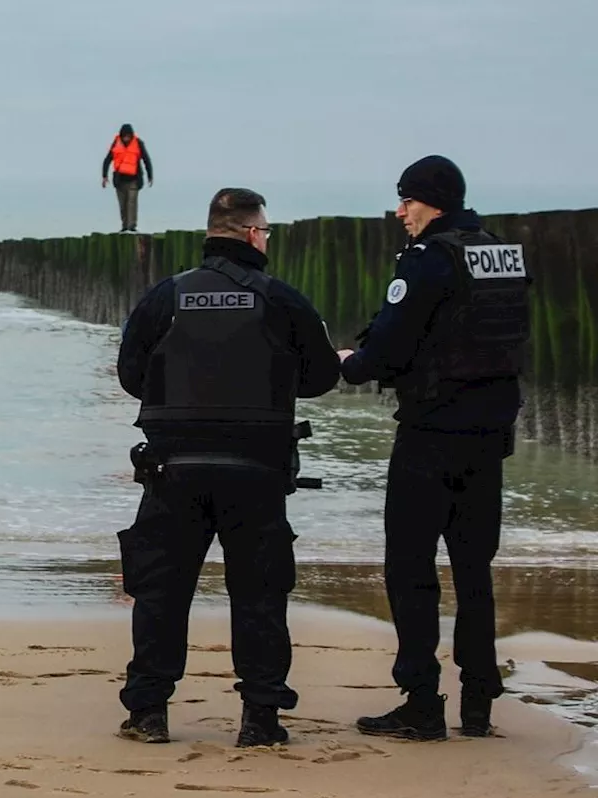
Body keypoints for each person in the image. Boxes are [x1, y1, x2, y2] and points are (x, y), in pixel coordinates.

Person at [114, 188, 341, 746]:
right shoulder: (281, 299)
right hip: (258, 473)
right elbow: (320, 379)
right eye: (265, 230)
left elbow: (130, 374)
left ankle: (148, 712)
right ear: (250, 234)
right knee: (260, 595)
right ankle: (261, 717)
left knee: (162, 592)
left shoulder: (165, 296)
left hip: (174, 472)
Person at [338, 155, 530, 741]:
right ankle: (478, 704)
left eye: (408, 200)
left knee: (411, 567)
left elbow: (393, 344)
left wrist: (351, 366)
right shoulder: (500, 252)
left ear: (434, 201)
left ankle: (422, 702)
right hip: (490, 436)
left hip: (432, 434)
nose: (400, 212)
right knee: (474, 570)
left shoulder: (428, 258)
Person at [102, 123, 154, 232]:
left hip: (134, 180)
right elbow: (107, 160)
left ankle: (132, 226)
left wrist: (150, 175)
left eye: (128, 136)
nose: (126, 139)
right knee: (123, 205)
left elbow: (146, 159)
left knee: (132, 203)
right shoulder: (116, 144)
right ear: (121, 136)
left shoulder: (138, 143)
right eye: (124, 136)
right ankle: (125, 226)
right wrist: (104, 176)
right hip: (120, 181)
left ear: (132, 136)